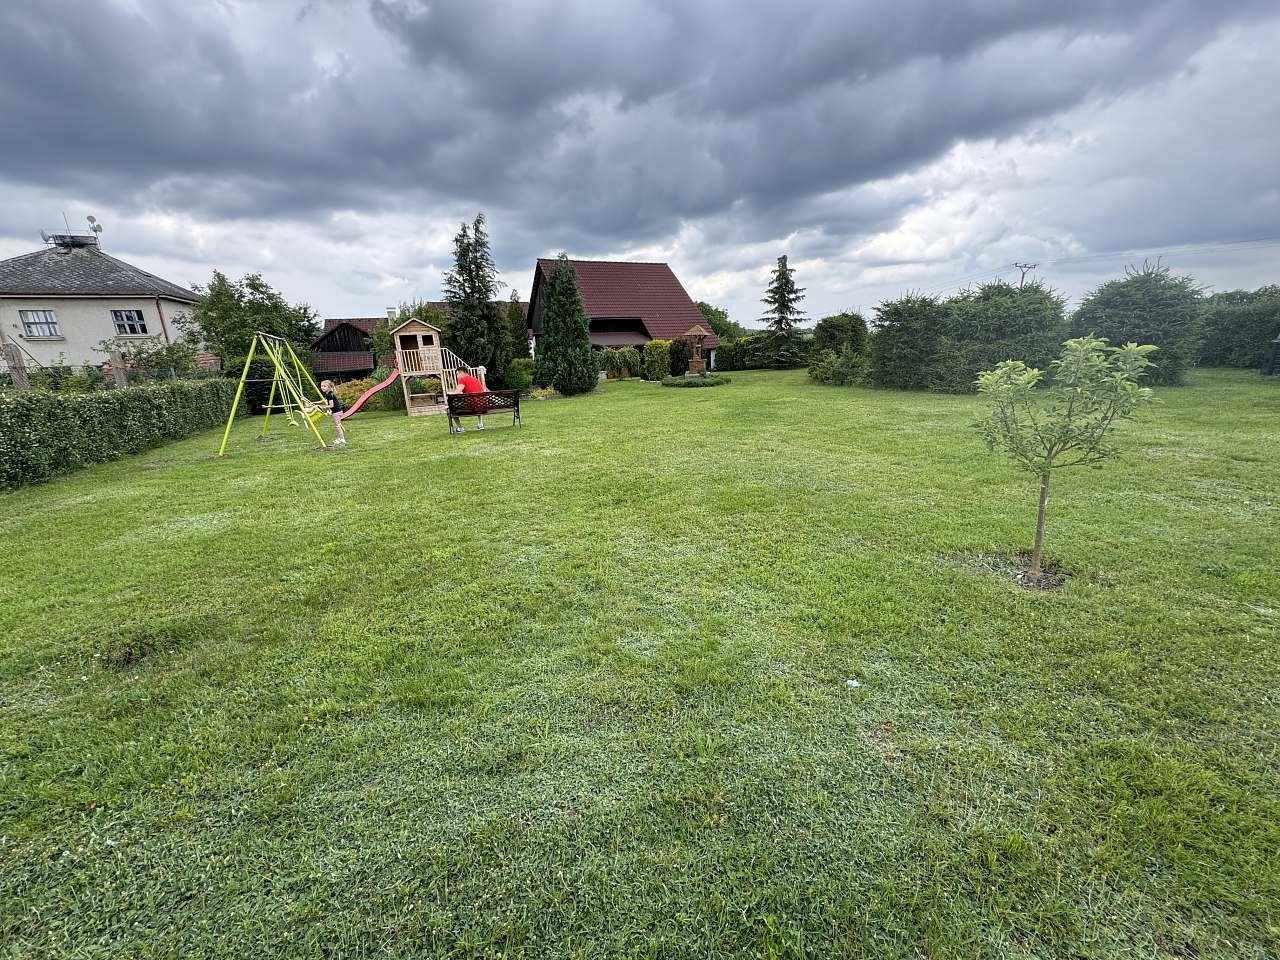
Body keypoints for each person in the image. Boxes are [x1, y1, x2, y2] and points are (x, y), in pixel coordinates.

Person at [315, 379, 347, 445]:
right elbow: (322, 400)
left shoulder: (329, 395)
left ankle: (342, 439)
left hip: (337, 412)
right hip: (336, 411)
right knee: (337, 425)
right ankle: (339, 438)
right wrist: (314, 403)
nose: (322, 387)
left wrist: (322, 407)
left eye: (324, 386)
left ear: (329, 387)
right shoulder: (328, 393)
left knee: (337, 426)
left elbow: (331, 405)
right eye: (322, 386)